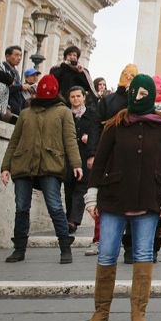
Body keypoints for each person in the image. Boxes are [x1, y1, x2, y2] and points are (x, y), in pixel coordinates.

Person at [82, 74, 161, 321]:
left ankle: (138, 313)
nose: (137, 98)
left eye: (143, 94)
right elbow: (99, 163)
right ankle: (100, 312)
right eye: (135, 93)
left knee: (144, 255)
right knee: (106, 253)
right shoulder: (114, 125)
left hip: (149, 199)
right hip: (114, 199)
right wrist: (92, 195)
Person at [0, 73, 81, 264]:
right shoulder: (26, 113)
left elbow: (70, 139)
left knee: (54, 206)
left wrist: (76, 164)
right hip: (23, 165)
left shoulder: (63, 112)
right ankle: (19, 248)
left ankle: (65, 247)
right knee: (21, 208)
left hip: (50, 164)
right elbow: (14, 141)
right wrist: (5, 166)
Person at [65, 86, 101, 235]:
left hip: (85, 156)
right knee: (69, 188)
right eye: (72, 97)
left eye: (78, 96)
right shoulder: (66, 115)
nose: (76, 99)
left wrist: (90, 142)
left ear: (84, 97)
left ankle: (73, 220)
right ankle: (69, 218)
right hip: (69, 157)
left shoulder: (92, 114)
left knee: (81, 188)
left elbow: (96, 131)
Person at [5, 45, 29, 118]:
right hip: (7, 107)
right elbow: (6, 87)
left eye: (21, 56)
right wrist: (21, 86)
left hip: (16, 109)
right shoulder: (4, 69)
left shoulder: (15, 71)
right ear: (7, 56)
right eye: (16, 55)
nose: (19, 58)